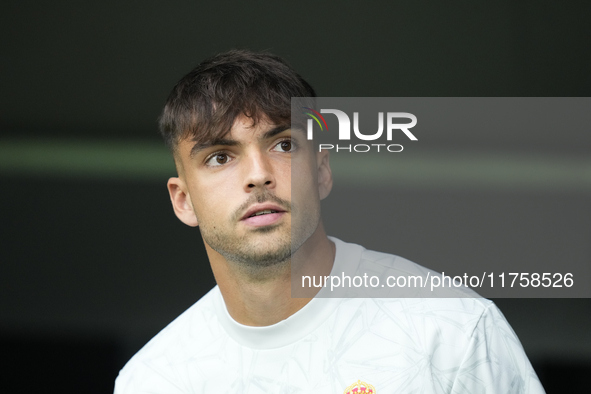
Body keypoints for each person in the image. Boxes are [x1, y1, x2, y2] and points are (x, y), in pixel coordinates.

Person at [114, 50, 545, 393]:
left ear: (321, 171)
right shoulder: (153, 380)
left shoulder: (451, 328)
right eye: (220, 157)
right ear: (183, 200)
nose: (258, 174)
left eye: (283, 144)